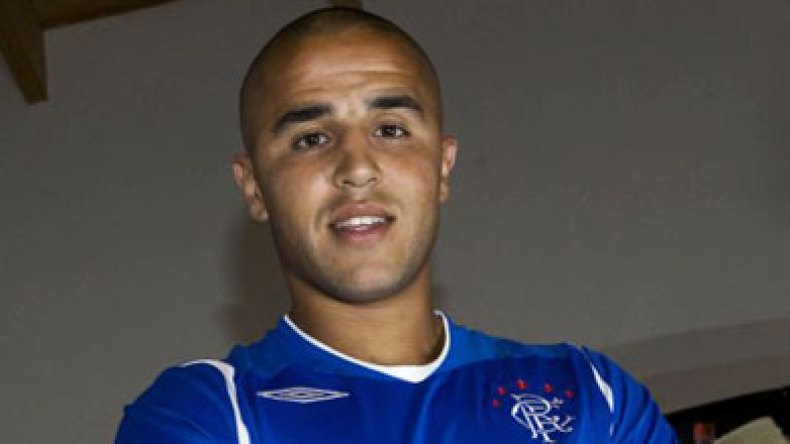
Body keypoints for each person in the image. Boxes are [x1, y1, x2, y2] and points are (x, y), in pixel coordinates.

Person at [116, 7, 679, 443]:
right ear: (254, 187)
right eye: (311, 138)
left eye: (390, 130)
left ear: (442, 167)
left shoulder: (589, 393)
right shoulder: (204, 414)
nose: (357, 168)